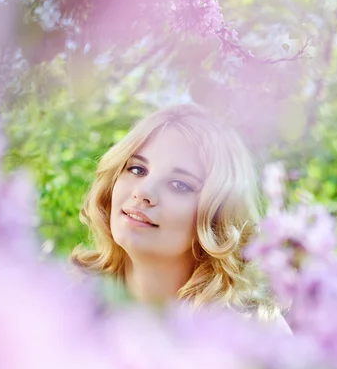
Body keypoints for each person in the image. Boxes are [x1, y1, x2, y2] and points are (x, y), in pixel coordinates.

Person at [71, 104, 280, 322]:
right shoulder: (63, 310)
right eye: (137, 169)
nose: (143, 192)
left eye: (179, 185)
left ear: (217, 219)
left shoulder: (257, 331)